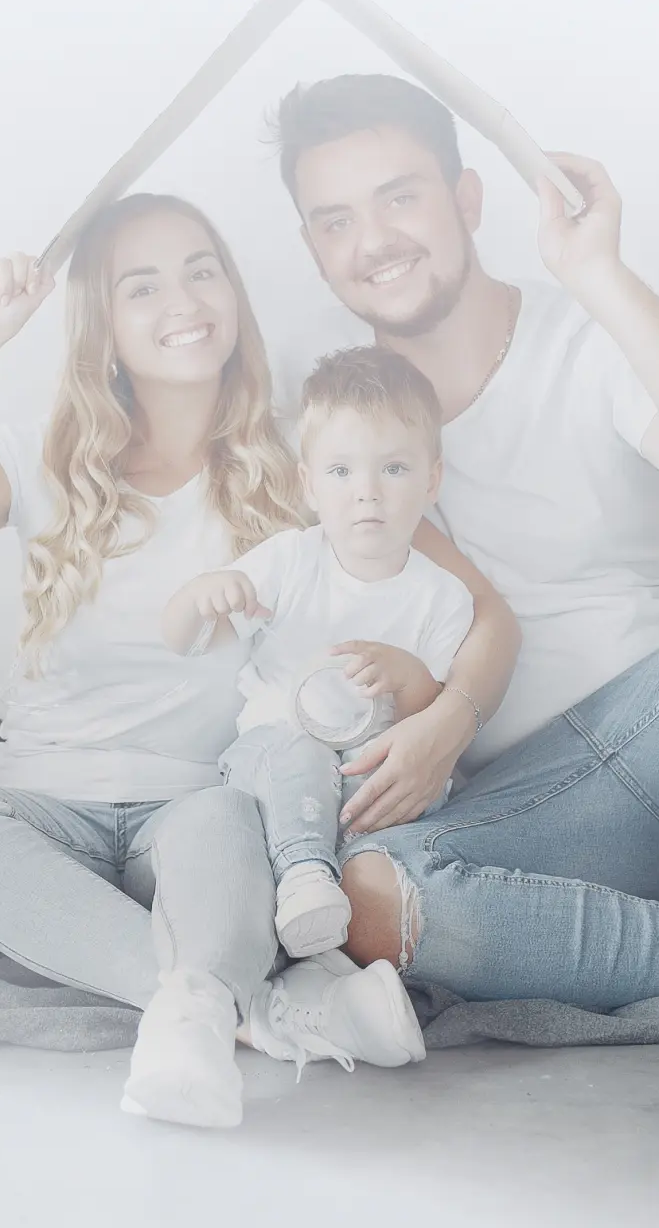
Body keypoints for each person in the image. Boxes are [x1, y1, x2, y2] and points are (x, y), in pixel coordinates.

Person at [0, 191, 512, 1127]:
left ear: (233, 293)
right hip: (40, 811)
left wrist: (448, 718)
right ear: (103, 325)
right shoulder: (40, 457)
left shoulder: (305, 461)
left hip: (196, 818)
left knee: (228, 817)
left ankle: (206, 1001)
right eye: (142, 286)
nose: (184, 300)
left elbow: (487, 616)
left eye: (202, 271)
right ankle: (241, 1005)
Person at [268, 73, 659, 1007]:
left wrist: (599, 272)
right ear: (312, 246)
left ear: (468, 199)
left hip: (650, 709)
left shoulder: (584, 336)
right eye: (336, 220)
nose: (374, 241)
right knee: (370, 898)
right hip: (532, 792)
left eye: (399, 197)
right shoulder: (324, 400)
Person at [162, 346, 474, 960]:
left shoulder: (444, 596)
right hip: (273, 756)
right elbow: (181, 639)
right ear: (309, 483)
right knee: (299, 753)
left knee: (403, 778)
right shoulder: (291, 560)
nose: (367, 493)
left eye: (394, 469)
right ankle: (306, 876)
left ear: (431, 479)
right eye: (341, 472)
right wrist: (201, 598)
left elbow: (433, 718)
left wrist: (409, 678)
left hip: (362, 773)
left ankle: (342, 904)